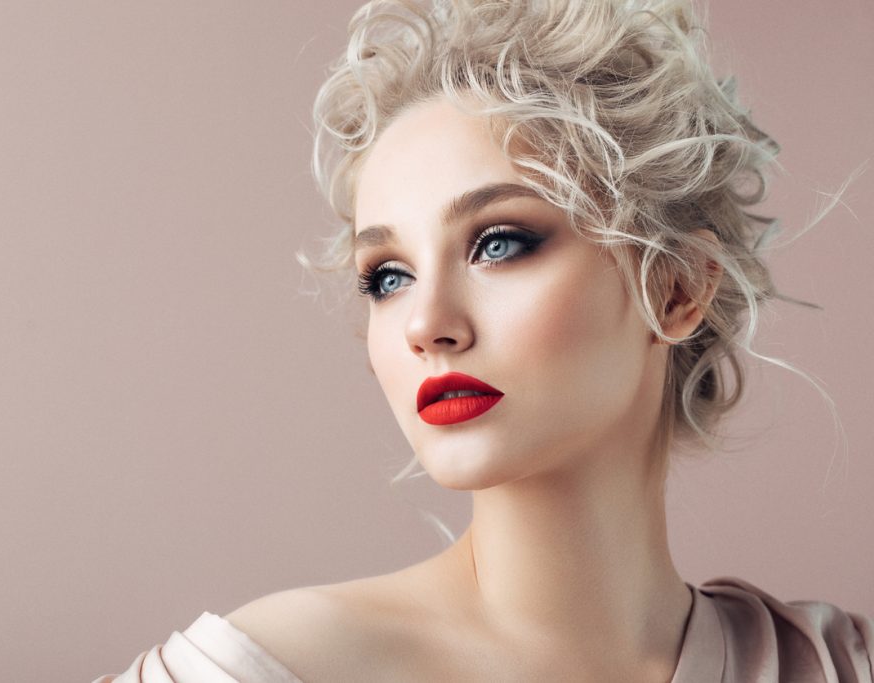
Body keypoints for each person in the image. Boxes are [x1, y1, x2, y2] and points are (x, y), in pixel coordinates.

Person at [95, 0, 873, 680]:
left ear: (675, 286)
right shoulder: (265, 668)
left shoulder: (836, 664)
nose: (426, 323)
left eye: (498, 242)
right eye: (386, 275)